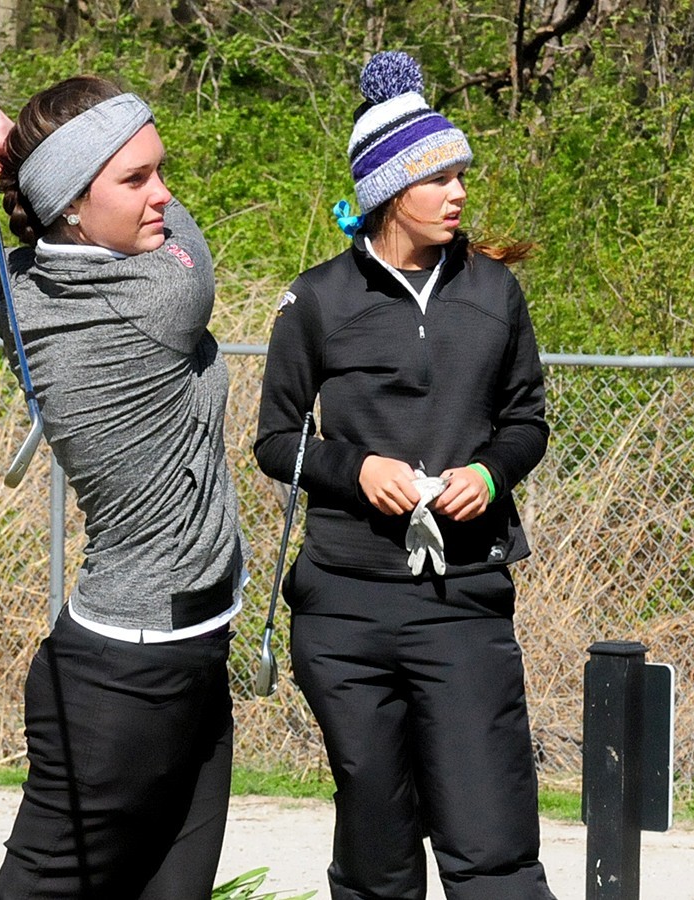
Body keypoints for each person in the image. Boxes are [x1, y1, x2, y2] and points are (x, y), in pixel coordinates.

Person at [0, 76, 247, 899]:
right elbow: (187, 238)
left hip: (186, 653)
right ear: (67, 205)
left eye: (159, 171)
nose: (163, 194)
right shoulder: (169, 290)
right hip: (129, 679)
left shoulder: (22, 290)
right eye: (135, 179)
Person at [254, 51, 556, 900]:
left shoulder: (495, 293)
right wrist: (357, 470)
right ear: (390, 189)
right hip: (342, 607)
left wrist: (491, 477)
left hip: (462, 600)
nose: (458, 191)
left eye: (461, 174)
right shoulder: (315, 300)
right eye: (438, 176)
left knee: (491, 844)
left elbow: (527, 421)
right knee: (378, 857)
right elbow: (277, 441)